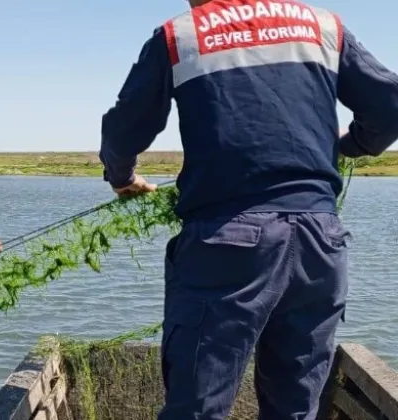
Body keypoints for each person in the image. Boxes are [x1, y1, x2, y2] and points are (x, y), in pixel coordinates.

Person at [98, 0, 398, 418]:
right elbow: (390, 106)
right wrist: (349, 146)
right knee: (294, 407)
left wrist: (122, 177)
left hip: (227, 242)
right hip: (320, 241)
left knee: (197, 408)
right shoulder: (322, 26)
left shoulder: (180, 35)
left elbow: (123, 128)